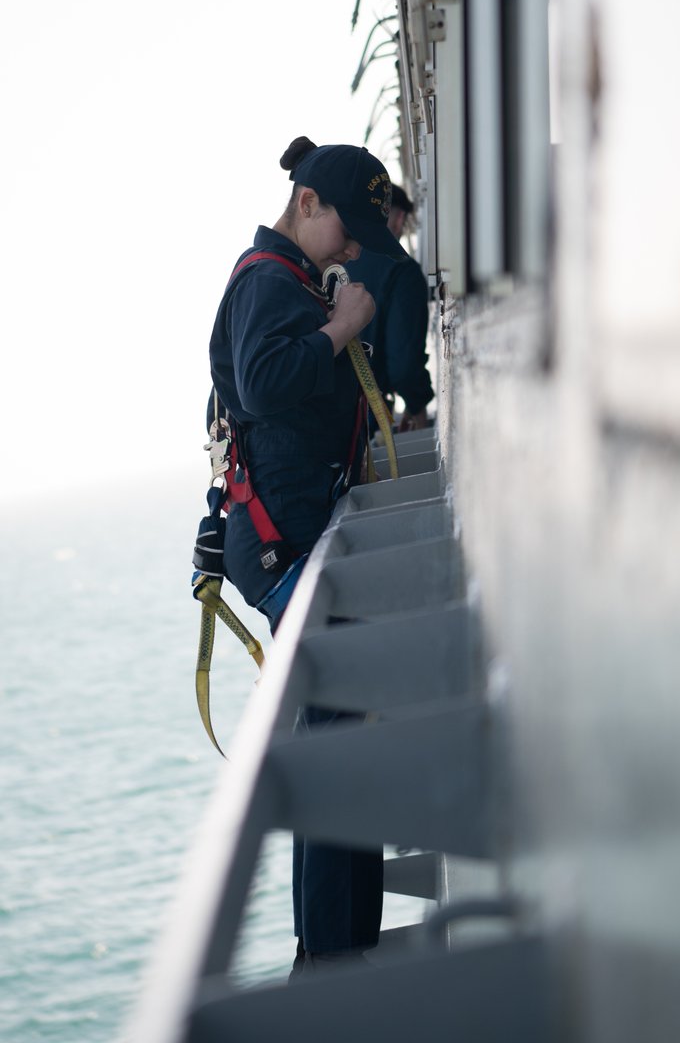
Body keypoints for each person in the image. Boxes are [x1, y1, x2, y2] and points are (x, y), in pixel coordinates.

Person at [206, 135, 406, 976]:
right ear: (308, 205)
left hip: (290, 538)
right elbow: (260, 384)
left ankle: (334, 949)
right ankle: (330, 963)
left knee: (343, 737)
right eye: (347, 229)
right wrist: (345, 325)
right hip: (280, 545)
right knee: (336, 742)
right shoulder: (264, 282)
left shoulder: (288, 282)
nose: (354, 248)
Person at [346, 184, 434, 431]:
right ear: (399, 217)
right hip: (366, 420)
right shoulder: (402, 271)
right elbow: (404, 366)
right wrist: (417, 406)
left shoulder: (335, 263)